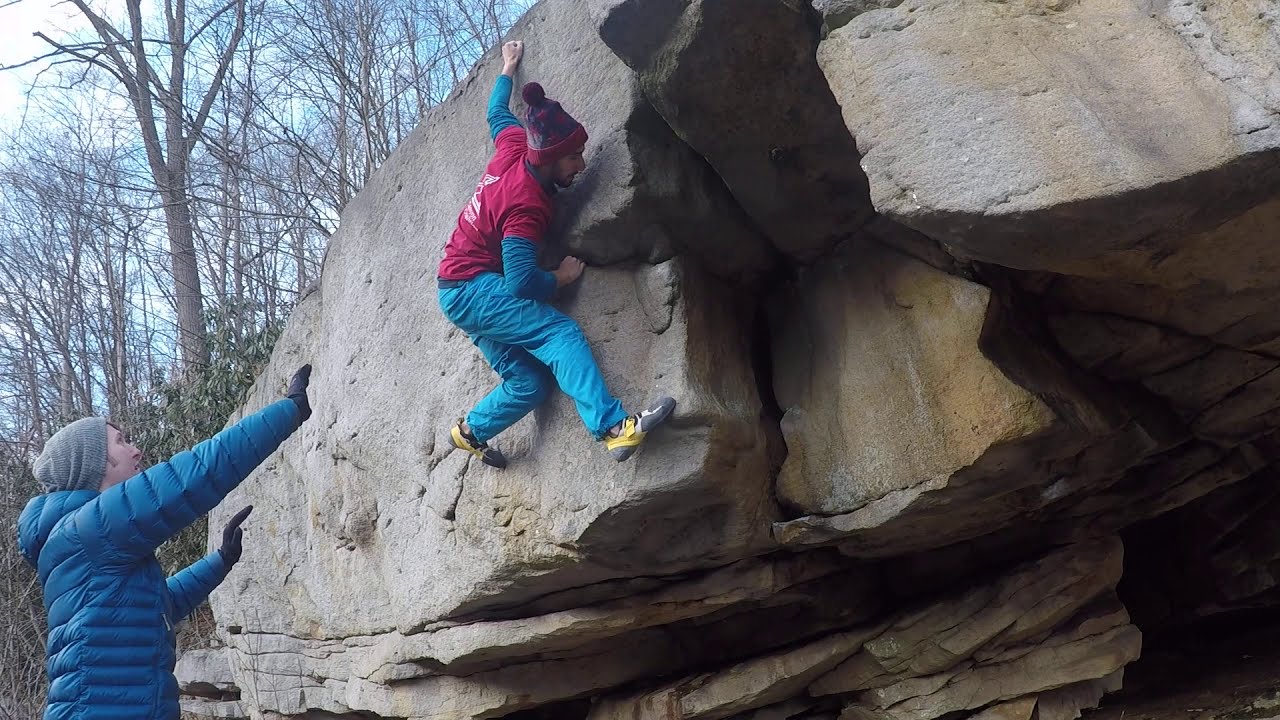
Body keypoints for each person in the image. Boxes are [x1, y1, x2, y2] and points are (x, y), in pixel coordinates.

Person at [17, 365, 314, 720]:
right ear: (93, 462)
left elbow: (156, 607)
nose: (136, 450)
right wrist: (290, 409)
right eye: (121, 441)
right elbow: (196, 473)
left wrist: (219, 560)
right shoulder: (89, 528)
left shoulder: (80, 538)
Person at [436, 39, 675, 469]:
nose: (581, 165)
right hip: (474, 288)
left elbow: (496, 113)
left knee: (529, 383)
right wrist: (561, 278)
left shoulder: (514, 146)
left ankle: (469, 431)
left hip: (455, 290)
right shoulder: (526, 207)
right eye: (573, 158)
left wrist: (508, 68)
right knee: (559, 335)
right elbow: (521, 282)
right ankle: (614, 429)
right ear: (547, 160)